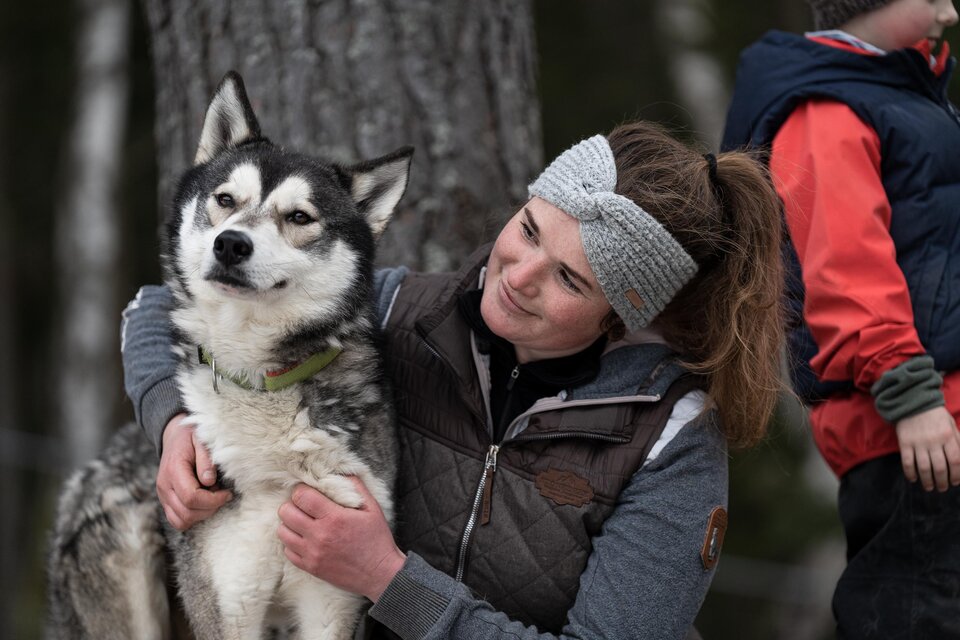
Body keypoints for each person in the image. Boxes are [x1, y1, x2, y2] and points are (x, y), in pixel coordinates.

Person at [121, 121, 786, 639]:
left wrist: (388, 579)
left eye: (568, 278)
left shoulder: (671, 439)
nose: (519, 275)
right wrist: (174, 423)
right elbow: (160, 307)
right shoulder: (401, 312)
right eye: (529, 231)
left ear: (621, 316)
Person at [722, 0, 960, 637]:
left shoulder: (906, 94)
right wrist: (910, 396)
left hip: (939, 424)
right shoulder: (829, 108)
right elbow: (846, 273)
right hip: (909, 433)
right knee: (912, 617)